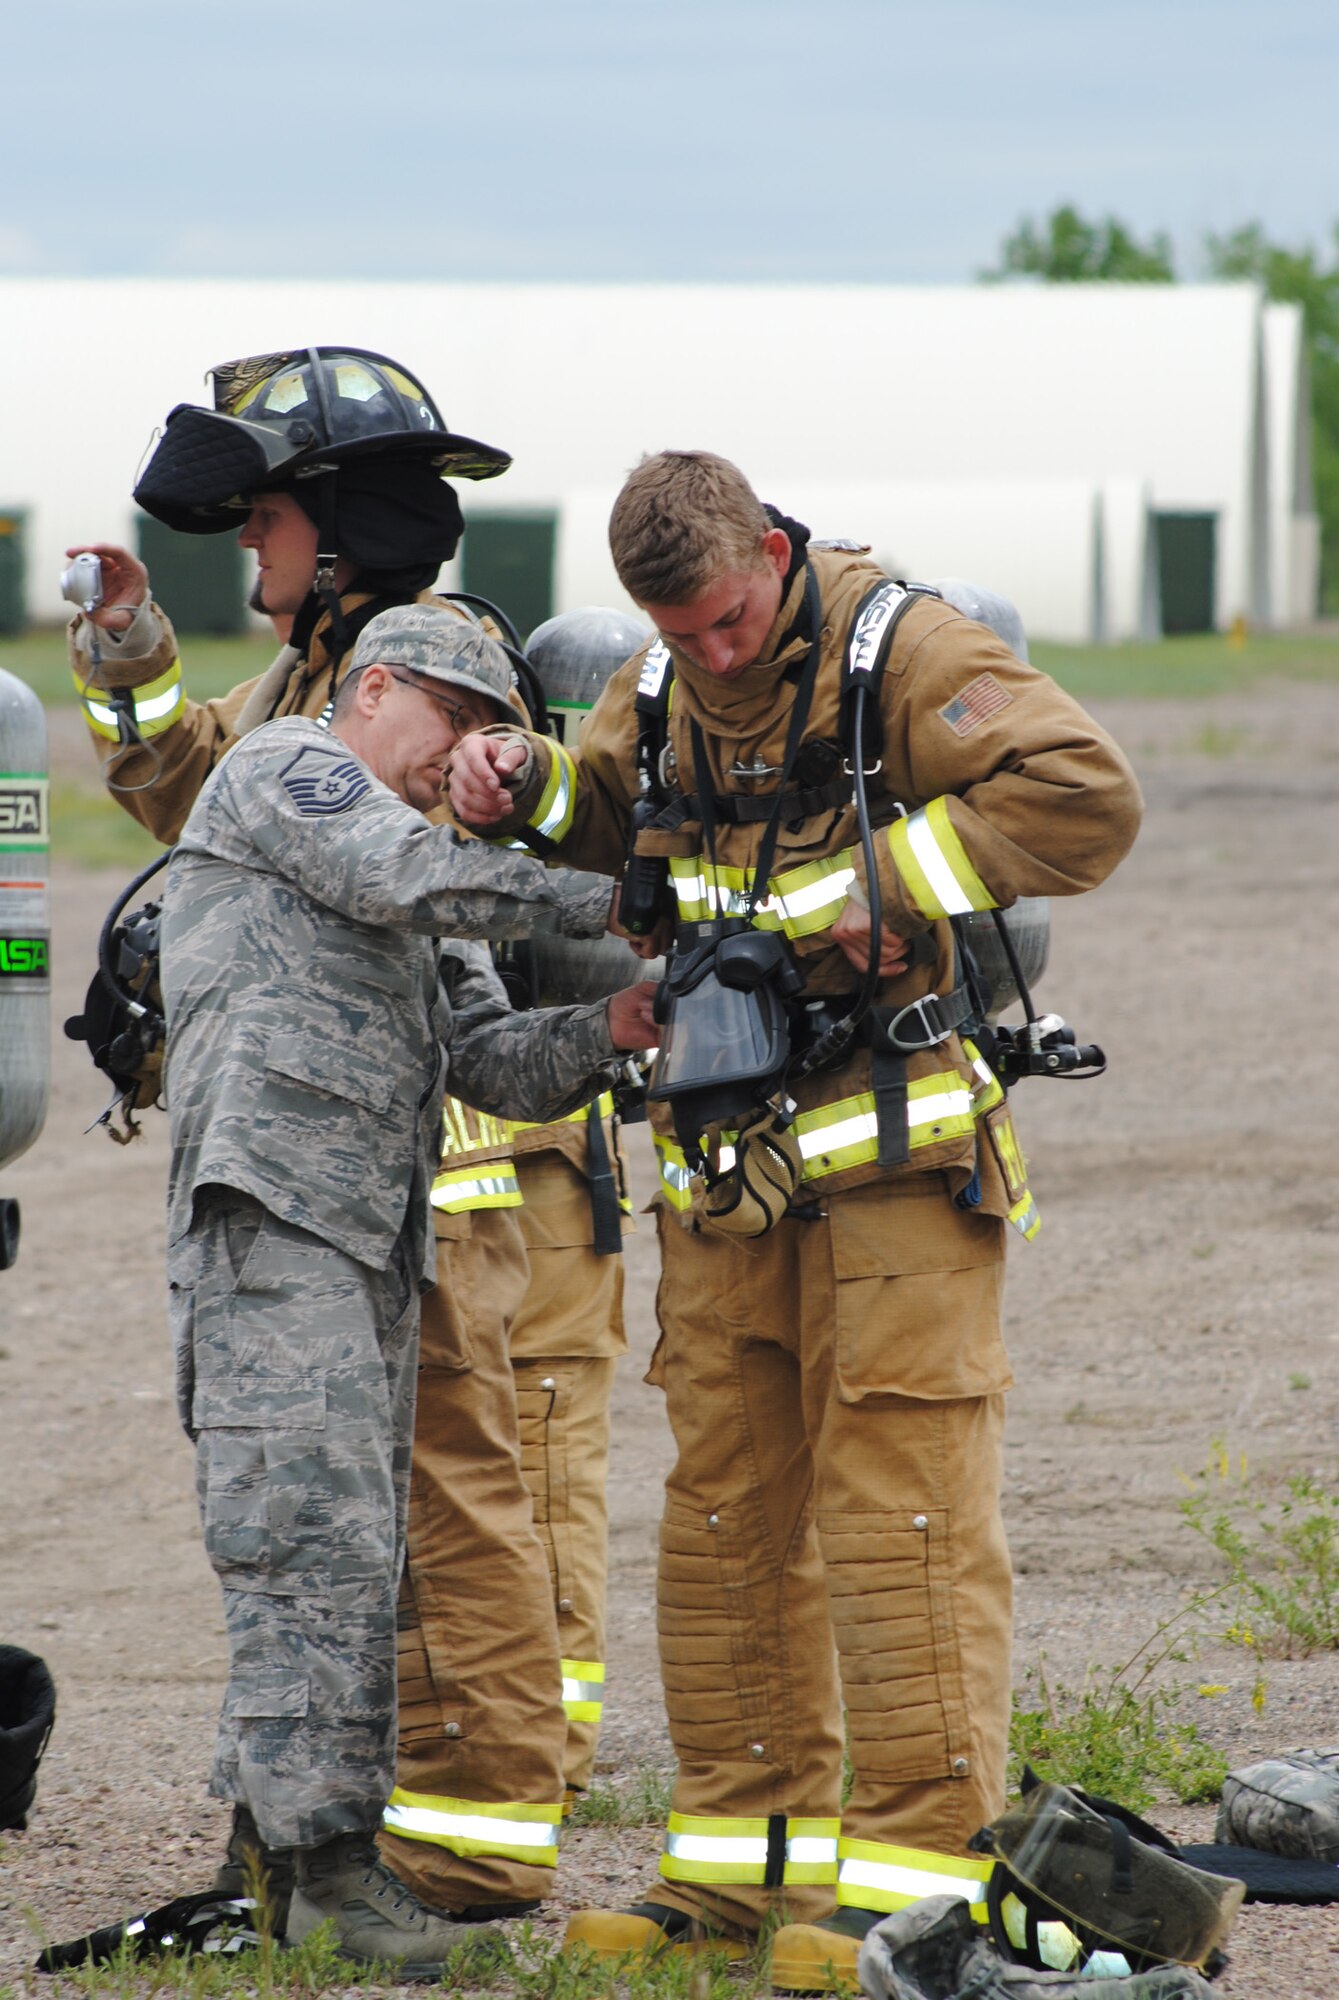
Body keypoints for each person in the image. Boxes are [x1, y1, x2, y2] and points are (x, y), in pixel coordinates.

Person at [448, 451, 1144, 1994]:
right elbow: (614, 806)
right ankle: (736, 1874)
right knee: (723, 1522)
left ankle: (916, 1891)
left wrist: (883, 876)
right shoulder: (660, 676)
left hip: (896, 1164)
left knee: (899, 1514)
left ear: (772, 551)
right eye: (675, 631)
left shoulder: (908, 649)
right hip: (724, 1171)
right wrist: (532, 786)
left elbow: (1087, 793)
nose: (708, 653)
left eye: (727, 619)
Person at [65, 347, 617, 1921]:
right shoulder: (308, 723)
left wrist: (627, 989)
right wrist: (124, 650)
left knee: (439, 1503)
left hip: (445, 1183)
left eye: (267, 525)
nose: (249, 550)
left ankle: (463, 1839)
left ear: (340, 532)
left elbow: (467, 968)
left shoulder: (439, 691)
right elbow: (202, 799)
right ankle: (335, 1851)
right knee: (328, 1522)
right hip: (324, 1187)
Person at [161, 602, 657, 1974]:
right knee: (304, 1542)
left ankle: (280, 1859)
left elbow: (491, 1063)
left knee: (351, 1553)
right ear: (377, 688)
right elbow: (410, 877)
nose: (466, 763)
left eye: (496, 739)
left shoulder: (418, 873)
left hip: (363, 1239)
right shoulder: (290, 772)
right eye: (457, 727)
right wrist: (620, 894)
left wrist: (612, 1028)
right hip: (272, 1216)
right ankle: (323, 1879)